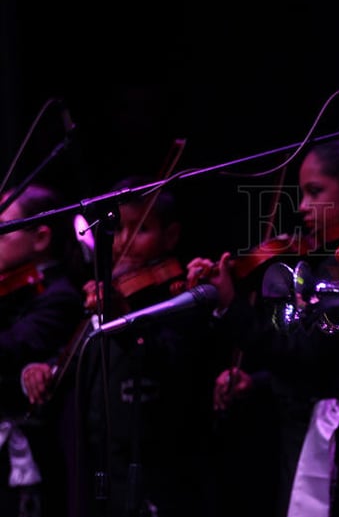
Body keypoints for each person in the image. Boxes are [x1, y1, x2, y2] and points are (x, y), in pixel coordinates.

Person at [191, 134, 339, 517]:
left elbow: (304, 352)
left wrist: (230, 305)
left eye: (315, 192)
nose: (302, 207)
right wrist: (258, 381)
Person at [22, 176, 218, 517]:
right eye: (118, 231)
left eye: (139, 230)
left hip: (159, 472)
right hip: (98, 469)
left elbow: (177, 367)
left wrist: (124, 317)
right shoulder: (103, 295)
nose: (122, 243)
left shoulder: (182, 299)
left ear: (170, 236)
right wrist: (45, 369)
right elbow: (80, 361)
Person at [0, 184, 85, 517]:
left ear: (41, 238)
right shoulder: (13, 290)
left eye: (3, 231)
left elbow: (10, 350)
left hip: (34, 457)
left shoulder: (59, 296)